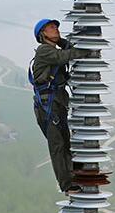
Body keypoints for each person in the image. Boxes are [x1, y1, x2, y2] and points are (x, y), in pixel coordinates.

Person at [29, 18, 91, 194]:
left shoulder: (53, 49)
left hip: (57, 103)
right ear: (42, 34)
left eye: (56, 27)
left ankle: (71, 174)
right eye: (51, 27)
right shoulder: (44, 51)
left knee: (65, 142)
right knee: (57, 146)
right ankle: (66, 185)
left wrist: (62, 41)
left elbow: (66, 50)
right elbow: (63, 56)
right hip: (48, 106)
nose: (55, 29)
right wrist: (86, 51)